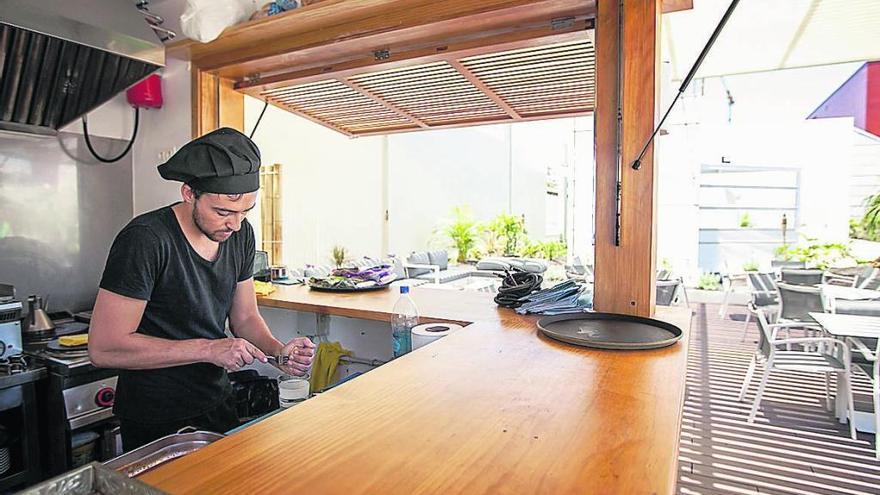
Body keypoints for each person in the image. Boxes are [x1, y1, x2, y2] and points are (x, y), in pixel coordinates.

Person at [88, 128, 315, 451]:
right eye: (223, 212)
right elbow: (104, 348)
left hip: (217, 402)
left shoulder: (240, 235)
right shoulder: (145, 240)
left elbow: (246, 317)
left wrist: (279, 354)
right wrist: (210, 349)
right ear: (189, 193)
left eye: (245, 212)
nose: (234, 224)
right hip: (155, 416)